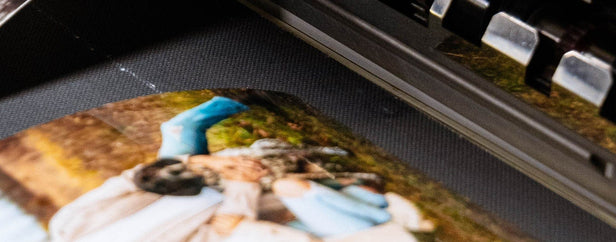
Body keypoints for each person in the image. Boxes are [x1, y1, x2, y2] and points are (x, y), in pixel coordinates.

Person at [47, 97, 435, 241]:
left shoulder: (69, 225)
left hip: (180, 177)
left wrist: (202, 161)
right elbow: (222, 233)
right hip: (232, 204)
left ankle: (239, 97)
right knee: (297, 223)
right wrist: (242, 184)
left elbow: (130, 180)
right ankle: (358, 200)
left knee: (179, 128)